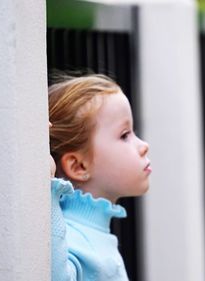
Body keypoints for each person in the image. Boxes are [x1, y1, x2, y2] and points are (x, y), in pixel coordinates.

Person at [48, 74, 151, 281]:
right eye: (124, 135)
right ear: (78, 166)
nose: (143, 146)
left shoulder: (91, 234)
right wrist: (50, 192)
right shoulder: (73, 239)